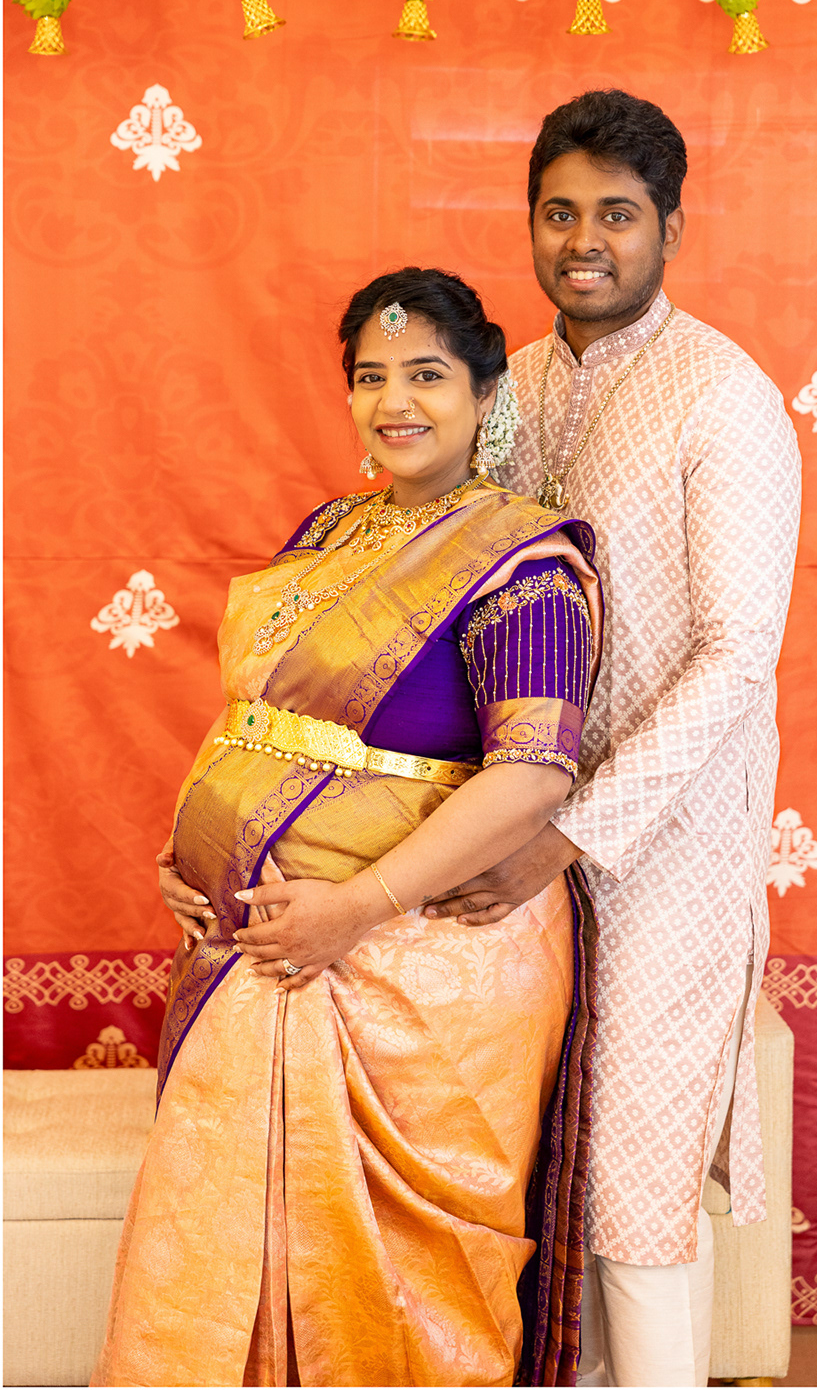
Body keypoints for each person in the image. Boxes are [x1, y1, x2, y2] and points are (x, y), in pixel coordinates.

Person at [113, 267, 603, 1387]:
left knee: (407, 1291)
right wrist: (189, 848)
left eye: (427, 375)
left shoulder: (526, 564)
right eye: (371, 377)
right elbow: (257, 717)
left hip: (417, 968)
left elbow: (533, 777)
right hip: (262, 946)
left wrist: (353, 909)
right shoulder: (332, 528)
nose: (396, 402)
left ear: (486, 396)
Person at [420, 90, 802, 1387]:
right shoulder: (510, 389)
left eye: (618, 215)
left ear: (671, 229)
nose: (585, 241)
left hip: (666, 851)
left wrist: (573, 832)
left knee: (635, 1172)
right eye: (561, 212)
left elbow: (739, 654)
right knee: (532, 1155)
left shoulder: (724, 398)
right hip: (509, 825)